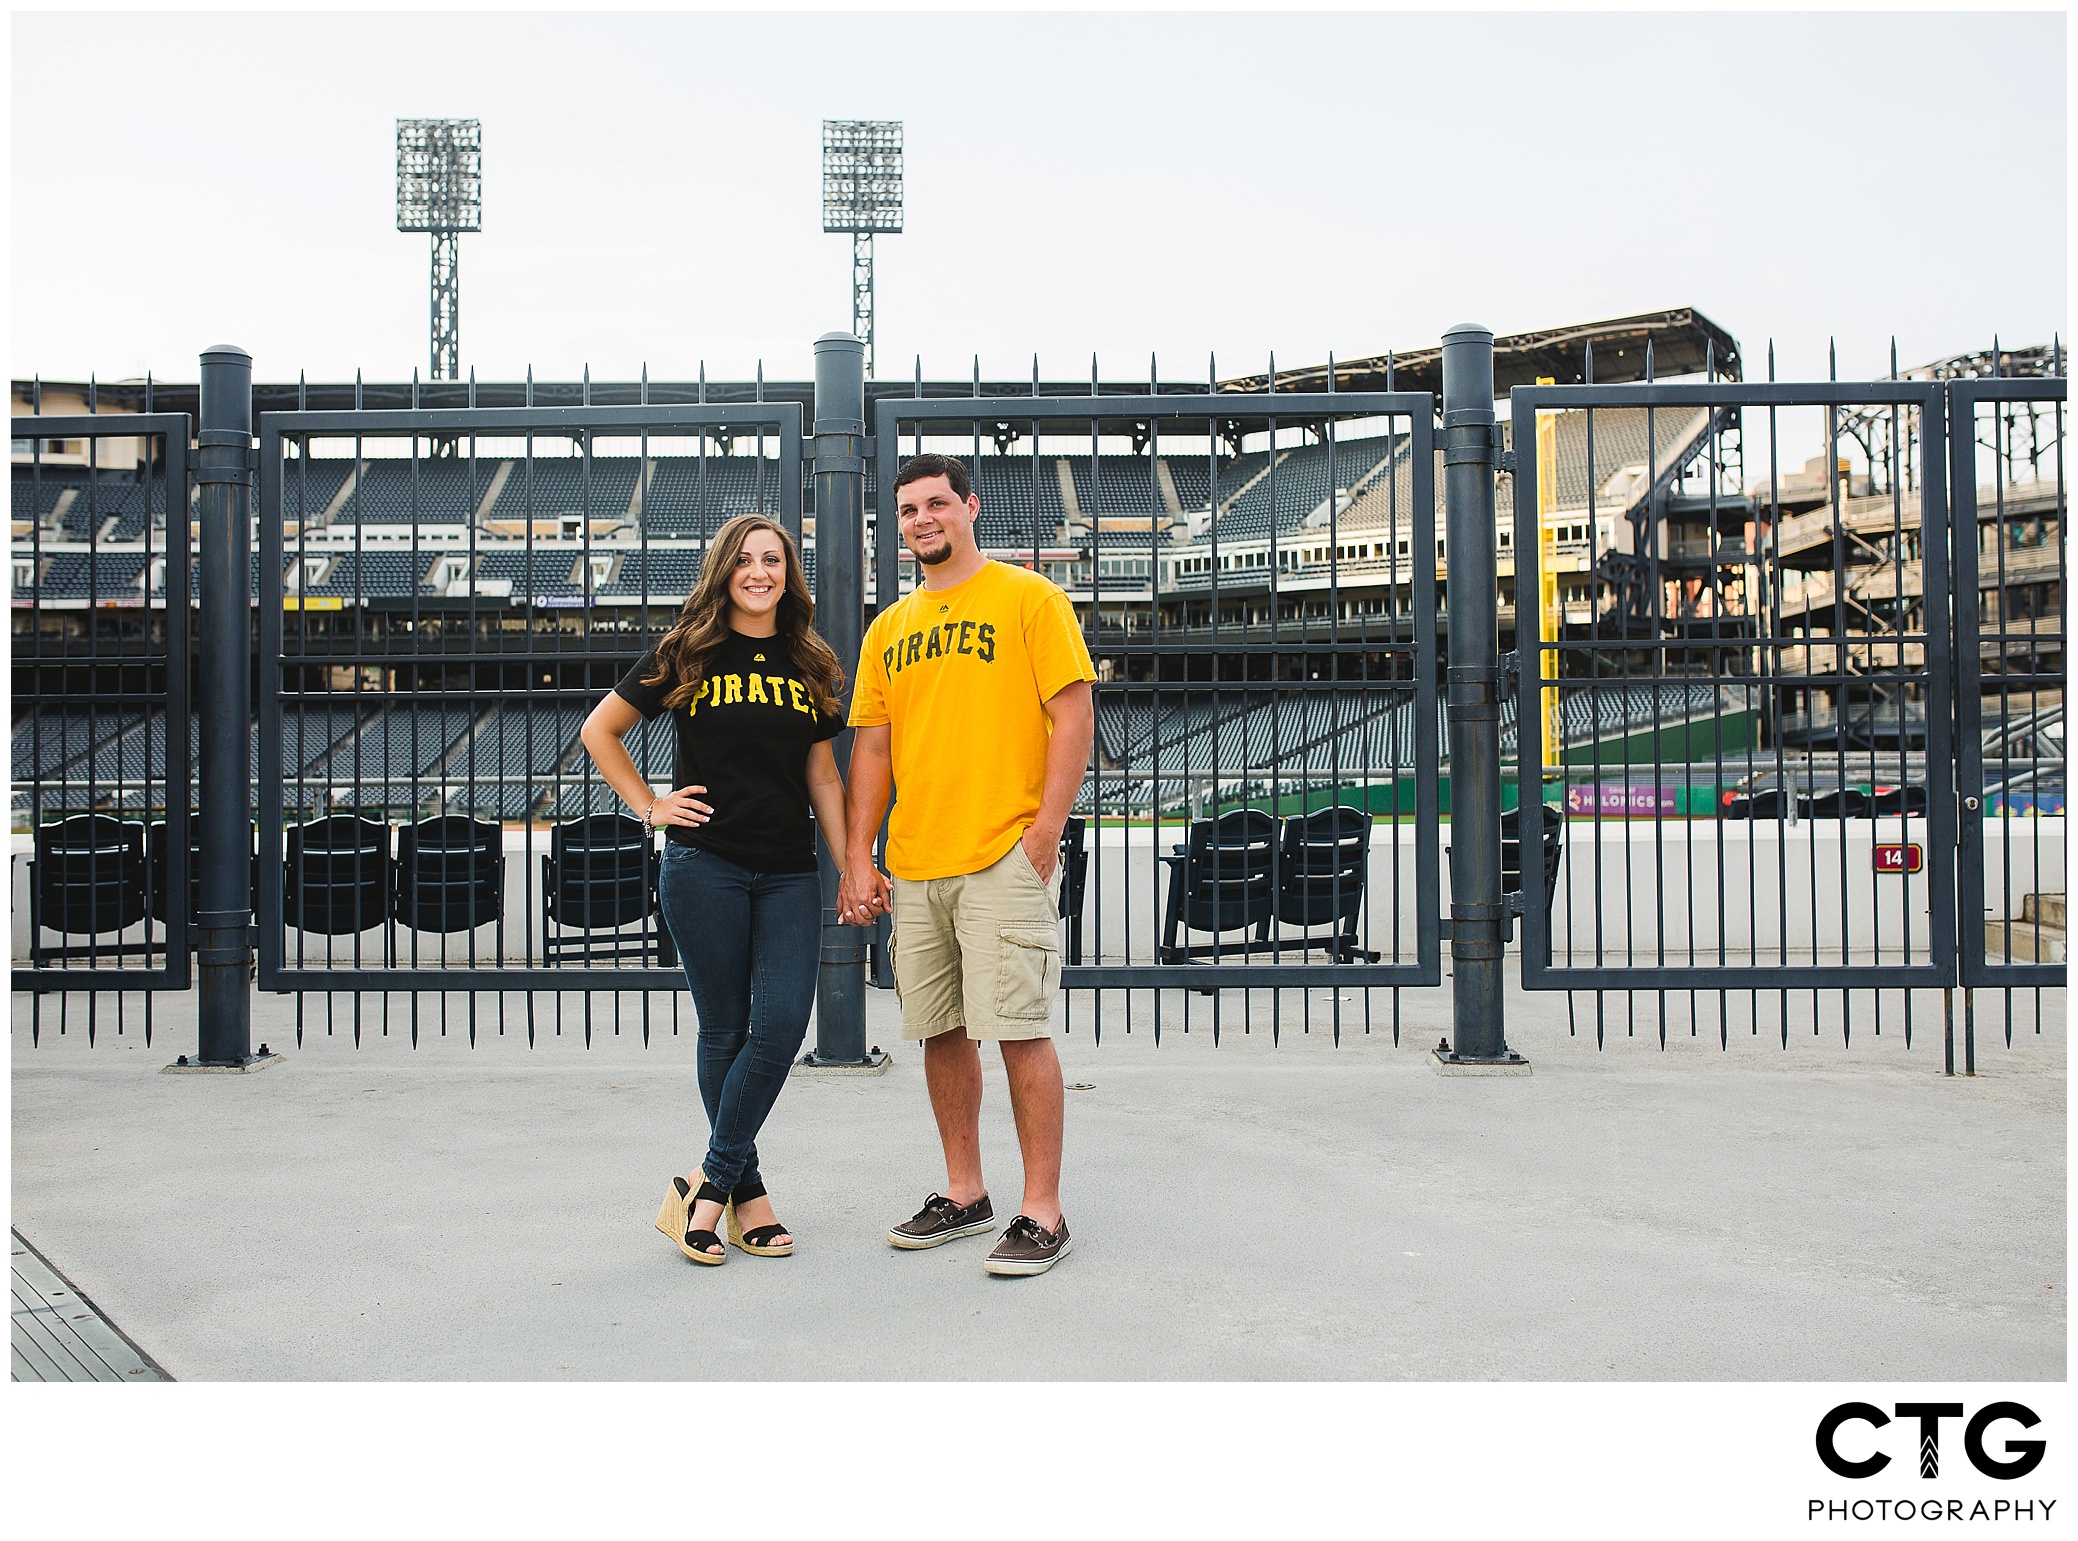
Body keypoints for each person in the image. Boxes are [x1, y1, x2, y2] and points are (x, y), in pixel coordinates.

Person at [838, 453, 1096, 1277]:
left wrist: (1047, 828)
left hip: (1000, 852)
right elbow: (872, 749)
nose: (923, 520)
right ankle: (965, 1189)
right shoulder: (889, 629)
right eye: (909, 509)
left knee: (1019, 1028)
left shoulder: (1029, 599)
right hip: (917, 861)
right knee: (939, 1032)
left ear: (969, 507)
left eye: (937, 503)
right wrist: (858, 854)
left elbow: (1073, 710)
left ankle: (1042, 1208)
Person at [581, 512, 850, 1266]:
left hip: (789, 869)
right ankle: (750, 1199)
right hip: (704, 865)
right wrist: (650, 806)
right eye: (744, 560)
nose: (759, 572)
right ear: (723, 571)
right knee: (724, 1029)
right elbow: (600, 730)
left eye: (772, 559)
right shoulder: (686, 651)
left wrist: (853, 864)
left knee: (781, 1027)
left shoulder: (811, 660)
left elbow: (823, 776)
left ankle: (707, 1183)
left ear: (787, 573)